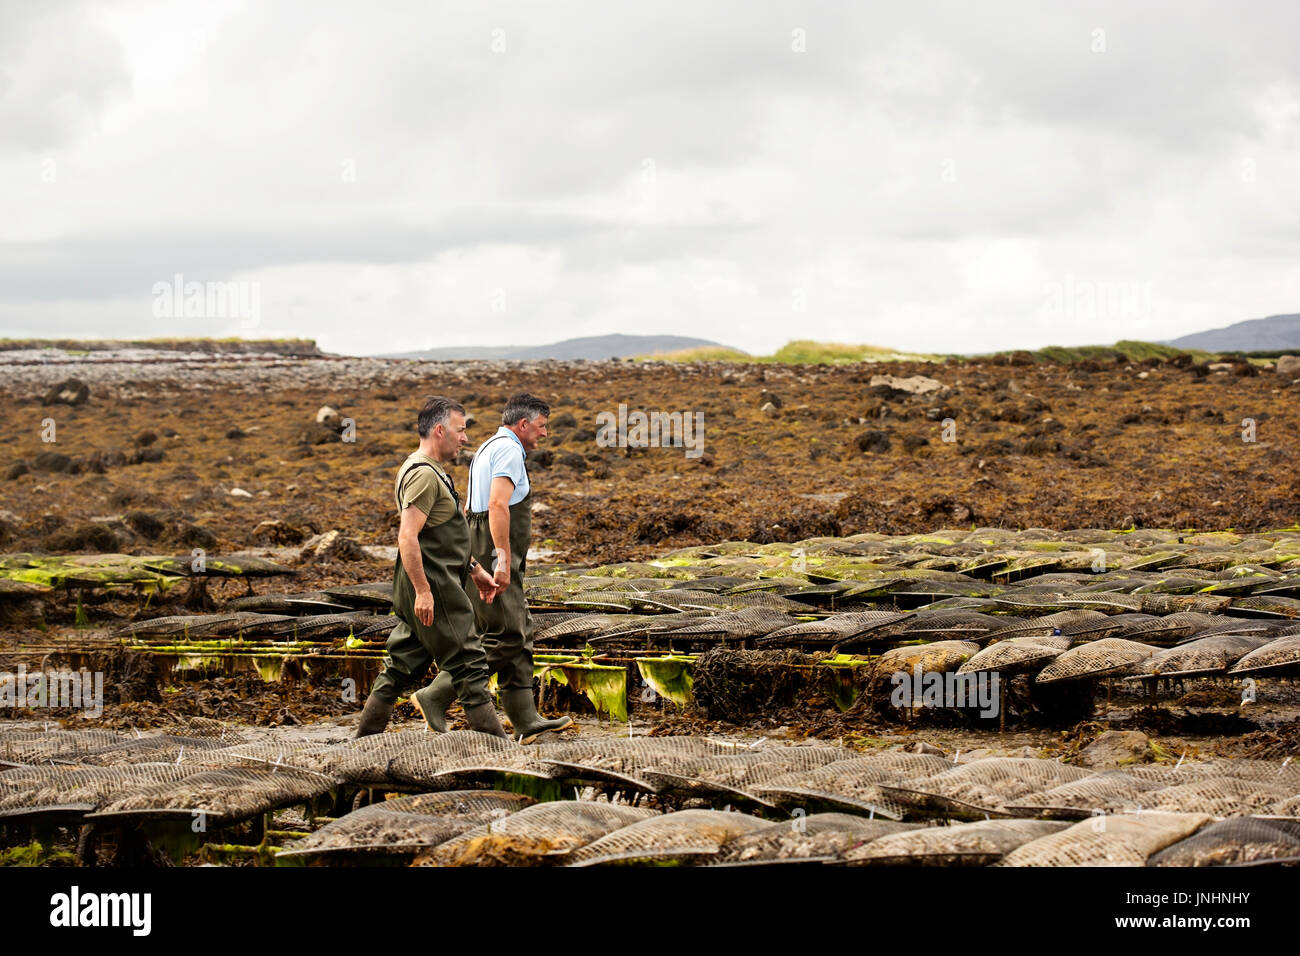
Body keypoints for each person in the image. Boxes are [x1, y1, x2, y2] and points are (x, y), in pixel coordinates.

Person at [412, 392, 573, 743]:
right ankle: (436, 695)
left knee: (518, 629)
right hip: (494, 548)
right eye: (542, 427)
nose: (545, 434)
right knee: (506, 635)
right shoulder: (509, 450)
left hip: (480, 541)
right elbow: (498, 504)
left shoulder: (487, 447)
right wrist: (500, 558)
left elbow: (471, 510)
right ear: (523, 424)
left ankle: (526, 719)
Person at [354, 396, 506, 738]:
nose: (465, 438)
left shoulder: (429, 470)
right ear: (440, 430)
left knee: (401, 663)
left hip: (427, 585)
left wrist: (474, 569)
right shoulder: (422, 476)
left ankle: (362, 743)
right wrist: (424, 591)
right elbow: (408, 538)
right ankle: (501, 749)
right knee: (468, 662)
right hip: (433, 587)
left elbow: (442, 538)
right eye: (460, 430)